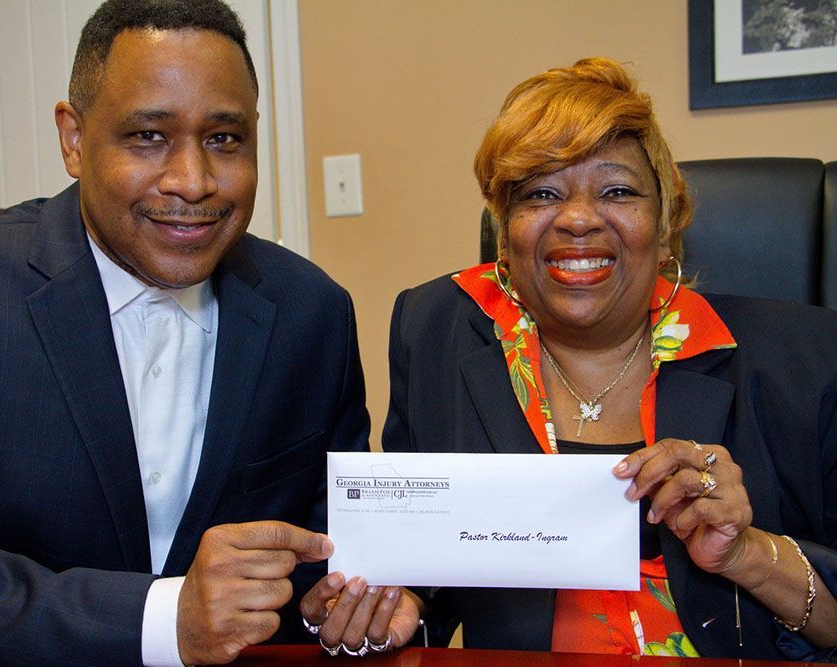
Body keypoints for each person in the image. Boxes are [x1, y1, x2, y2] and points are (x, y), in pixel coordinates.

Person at [0, 1, 371, 665]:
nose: (192, 181)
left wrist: (351, 604)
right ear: (73, 138)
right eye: (148, 136)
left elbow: (332, 557)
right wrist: (163, 618)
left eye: (224, 139)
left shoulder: (312, 312)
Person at [305, 58, 837, 661]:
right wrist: (398, 603)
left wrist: (748, 555)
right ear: (504, 235)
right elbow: (427, 557)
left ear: (666, 225)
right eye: (541, 193)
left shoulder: (810, 360)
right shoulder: (438, 329)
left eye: (617, 190)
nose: (578, 218)